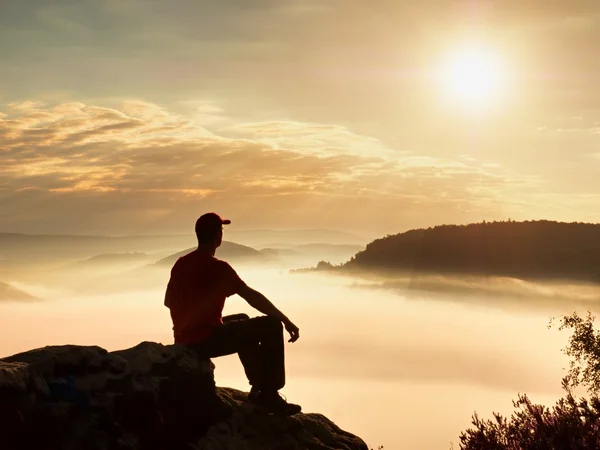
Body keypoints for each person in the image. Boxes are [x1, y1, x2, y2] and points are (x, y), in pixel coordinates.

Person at [163, 212, 301, 415]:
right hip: (205, 340)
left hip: (184, 338)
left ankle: (258, 388)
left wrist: (194, 315)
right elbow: (252, 297)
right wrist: (285, 319)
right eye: (221, 230)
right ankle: (269, 395)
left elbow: (168, 302)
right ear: (218, 236)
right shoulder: (220, 268)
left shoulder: (181, 263)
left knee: (242, 321)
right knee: (271, 325)